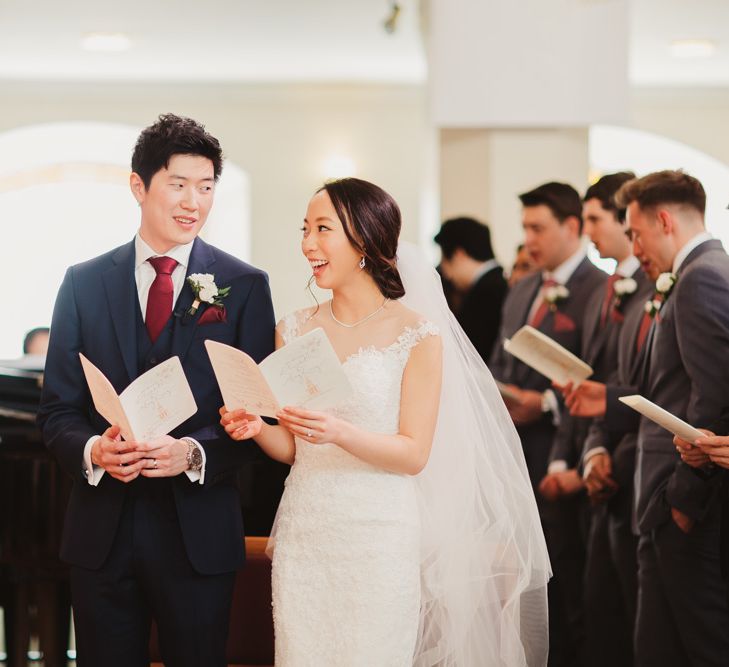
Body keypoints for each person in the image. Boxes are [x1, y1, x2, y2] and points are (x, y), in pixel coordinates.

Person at [221, 177, 550, 666]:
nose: (307, 243)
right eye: (304, 229)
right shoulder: (293, 329)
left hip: (379, 533)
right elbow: (294, 448)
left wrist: (340, 432)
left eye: (322, 229)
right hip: (307, 531)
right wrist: (258, 429)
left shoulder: (416, 334)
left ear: (363, 240)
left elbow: (414, 454)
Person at [37, 114, 275, 667]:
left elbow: (261, 417)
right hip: (102, 536)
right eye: (179, 184)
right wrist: (94, 450)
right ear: (139, 186)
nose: (194, 201)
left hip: (198, 538)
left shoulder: (244, 287)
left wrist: (193, 452)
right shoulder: (83, 282)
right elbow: (56, 413)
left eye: (207, 187)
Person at [570, 170, 729, 665]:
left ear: (663, 220)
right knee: (657, 645)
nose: (633, 246)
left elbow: (714, 397)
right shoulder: (696, 273)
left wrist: (684, 496)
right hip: (663, 490)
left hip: (679, 494)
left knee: (698, 645)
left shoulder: (701, 276)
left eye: (635, 232)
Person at [490, 181, 607, 666]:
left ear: (572, 226)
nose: (529, 239)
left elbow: (603, 375)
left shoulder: (600, 290)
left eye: (538, 228)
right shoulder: (521, 290)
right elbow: (498, 358)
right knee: (523, 581)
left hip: (566, 452)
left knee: (568, 581)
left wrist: (543, 403)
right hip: (514, 455)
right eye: (524, 228)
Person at [562, 171, 649, 667]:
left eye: (595, 218)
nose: (588, 229)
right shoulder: (605, 291)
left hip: (639, 468)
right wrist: (592, 451)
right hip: (601, 463)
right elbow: (597, 377)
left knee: (639, 623)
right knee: (598, 613)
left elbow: (655, 389)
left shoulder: (657, 289)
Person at [434, 216, 508, 362]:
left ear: (459, 254)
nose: (447, 274)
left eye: (445, 261)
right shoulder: (496, 282)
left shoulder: (486, 292)